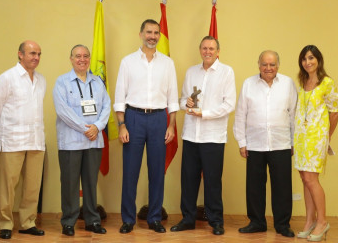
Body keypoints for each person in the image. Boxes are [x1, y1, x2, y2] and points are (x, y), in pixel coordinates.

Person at [114, 19, 179, 234]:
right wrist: (122, 125)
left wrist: (171, 126)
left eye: (156, 33)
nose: (152, 36)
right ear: (141, 34)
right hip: (133, 118)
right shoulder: (128, 62)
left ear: (159, 36)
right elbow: (119, 97)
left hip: (159, 119)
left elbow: (172, 98)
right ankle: (128, 219)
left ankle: (154, 218)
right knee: (130, 172)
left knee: (157, 172)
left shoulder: (167, 63)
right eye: (148, 32)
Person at [170, 36, 236, 236]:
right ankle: (188, 219)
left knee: (213, 181)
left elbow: (229, 104)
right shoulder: (191, 72)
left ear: (218, 51)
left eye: (212, 48)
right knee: (188, 179)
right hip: (191, 135)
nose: (208, 51)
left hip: (213, 137)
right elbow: (182, 100)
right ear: (200, 50)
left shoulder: (226, 72)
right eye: (204, 48)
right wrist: (187, 104)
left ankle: (216, 221)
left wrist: (204, 114)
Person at [233, 50, 297, 237]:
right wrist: (242, 142)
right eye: (264, 64)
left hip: (281, 143)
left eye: (272, 64)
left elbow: (294, 114)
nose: (268, 68)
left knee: (283, 186)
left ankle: (282, 224)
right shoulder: (248, 84)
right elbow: (240, 114)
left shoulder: (287, 84)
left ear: (278, 65)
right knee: (254, 186)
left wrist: (294, 141)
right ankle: (257, 222)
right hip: (255, 144)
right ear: (258, 64)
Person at [0, 40, 46, 239]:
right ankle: (5, 223)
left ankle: (28, 223)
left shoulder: (41, 80)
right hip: (12, 139)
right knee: (8, 186)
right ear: (20, 54)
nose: (36, 57)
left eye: (38, 54)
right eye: (31, 53)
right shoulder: (7, 78)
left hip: (36, 140)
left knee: (32, 186)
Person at [53, 45, 111, 236]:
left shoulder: (98, 82)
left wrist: (98, 127)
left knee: (90, 183)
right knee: (70, 183)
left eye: (86, 56)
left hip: (94, 141)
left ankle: (92, 220)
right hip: (71, 141)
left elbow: (106, 107)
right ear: (71, 59)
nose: (82, 59)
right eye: (78, 56)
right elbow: (63, 111)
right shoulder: (62, 82)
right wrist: (85, 129)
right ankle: (68, 221)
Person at [294, 45, 338, 242]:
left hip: (317, 139)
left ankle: (322, 222)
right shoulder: (302, 82)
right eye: (304, 59)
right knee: (305, 179)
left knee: (312, 180)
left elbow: (335, 112)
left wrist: (326, 136)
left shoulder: (327, 83)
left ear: (318, 60)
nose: (308, 62)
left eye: (311, 58)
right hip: (301, 138)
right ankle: (309, 221)